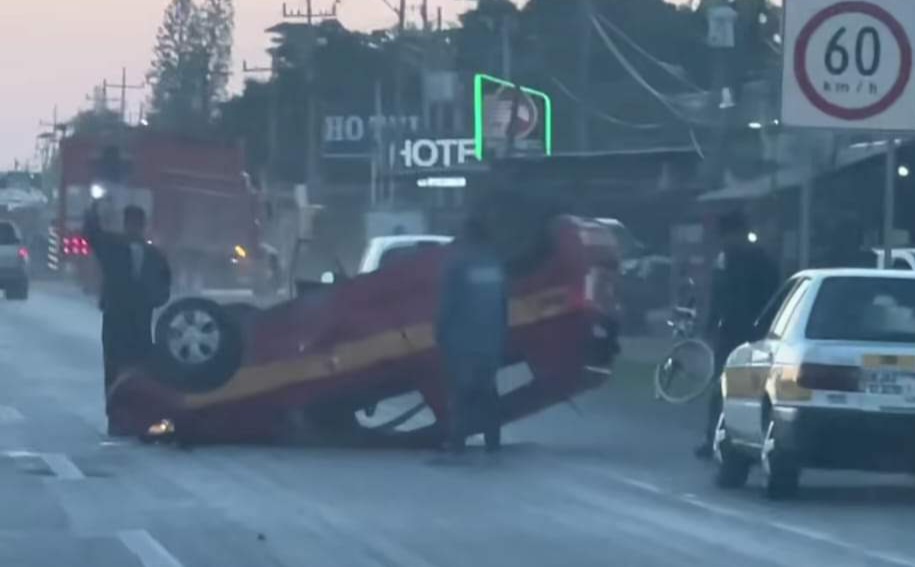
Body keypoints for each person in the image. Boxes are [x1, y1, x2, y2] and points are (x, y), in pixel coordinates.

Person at [695, 211, 779, 459]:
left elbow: (770, 296)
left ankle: (735, 437)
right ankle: (715, 437)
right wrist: (711, 324)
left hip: (752, 334)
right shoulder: (728, 259)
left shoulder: (757, 260)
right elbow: (718, 296)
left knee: (748, 388)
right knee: (722, 386)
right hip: (731, 331)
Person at [84, 202, 171, 435]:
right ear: (126, 224)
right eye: (130, 223)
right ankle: (115, 416)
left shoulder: (154, 255)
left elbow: (165, 287)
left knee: (138, 369)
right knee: (113, 368)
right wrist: (91, 213)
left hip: (139, 321)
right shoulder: (113, 246)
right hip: (116, 319)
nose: (132, 227)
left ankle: (135, 415)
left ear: (141, 225)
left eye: (136, 223)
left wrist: (151, 301)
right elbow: (93, 235)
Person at [436, 214, 508, 454]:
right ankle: (493, 441)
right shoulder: (494, 265)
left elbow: (449, 305)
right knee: (488, 392)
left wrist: (440, 334)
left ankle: (457, 442)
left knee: (461, 393)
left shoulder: (458, 265)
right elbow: (503, 304)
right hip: (491, 341)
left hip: (463, 342)